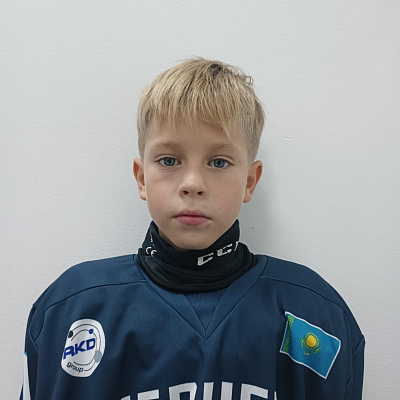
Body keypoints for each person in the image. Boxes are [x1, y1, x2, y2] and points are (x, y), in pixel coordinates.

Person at [20, 58, 364, 400]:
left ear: (249, 181)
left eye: (219, 162)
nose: (193, 184)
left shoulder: (316, 315)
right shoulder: (69, 309)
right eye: (169, 160)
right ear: (142, 178)